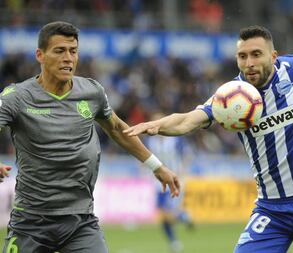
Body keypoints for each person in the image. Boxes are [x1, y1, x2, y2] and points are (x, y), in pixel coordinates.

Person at [124, 7, 293, 253]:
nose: (249, 63)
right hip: (271, 209)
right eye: (242, 56)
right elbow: (190, 119)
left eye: (256, 54)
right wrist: (158, 125)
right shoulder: (231, 97)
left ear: (273, 55)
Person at [0, 21, 180, 253]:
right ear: (40, 55)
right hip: (31, 222)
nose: (68, 58)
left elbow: (116, 129)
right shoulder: (16, 97)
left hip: (80, 221)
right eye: (59, 51)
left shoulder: (91, 92)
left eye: (73, 51)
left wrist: (156, 166)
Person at [145, 113, 194, 253]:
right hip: (157, 183)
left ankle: (182, 217)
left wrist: (183, 171)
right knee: (162, 215)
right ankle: (174, 239)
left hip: (175, 179)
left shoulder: (175, 140)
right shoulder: (150, 141)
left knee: (169, 214)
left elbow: (187, 155)